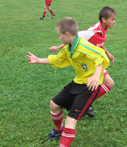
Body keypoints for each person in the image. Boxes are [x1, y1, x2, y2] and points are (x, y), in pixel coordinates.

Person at [26, 17, 110, 146]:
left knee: (70, 120)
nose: (59, 38)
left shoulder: (83, 46)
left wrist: (96, 75)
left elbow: (100, 57)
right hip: (78, 82)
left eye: (59, 35)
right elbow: (58, 60)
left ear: (66, 34)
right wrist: (38, 60)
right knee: (54, 104)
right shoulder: (68, 48)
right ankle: (59, 130)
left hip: (89, 87)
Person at [49, 6, 117, 118]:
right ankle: (86, 103)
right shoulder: (94, 31)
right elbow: (74, 36)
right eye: (112, 19)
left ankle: (87, 102)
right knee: (110, 83)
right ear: (104, 20)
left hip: (95, 60)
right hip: (91, 62)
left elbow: (98, 42)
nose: (114, 22)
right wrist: (59, 47)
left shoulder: (104, 28)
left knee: (108, 84)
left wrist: (108, 53)